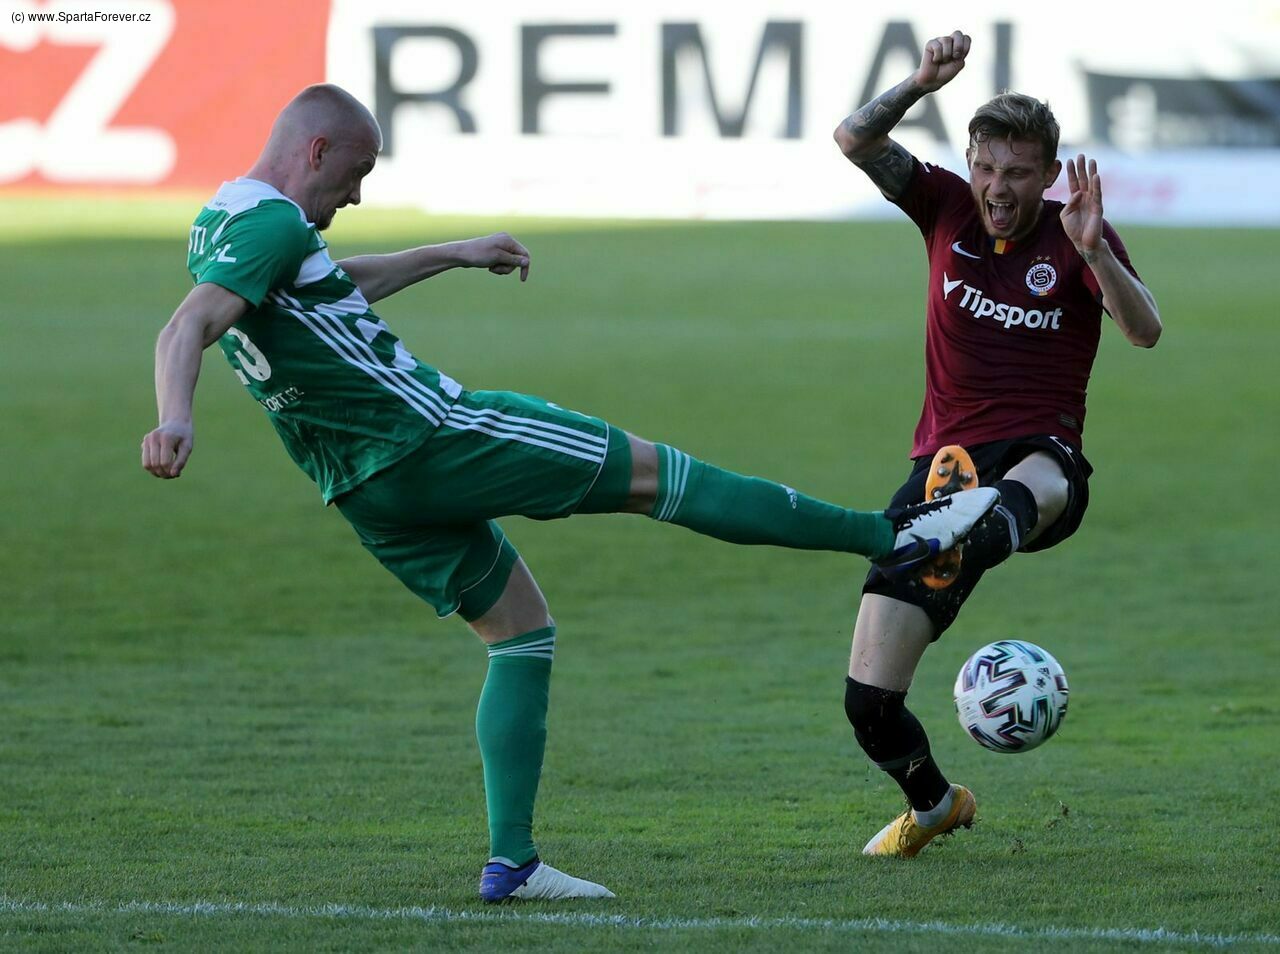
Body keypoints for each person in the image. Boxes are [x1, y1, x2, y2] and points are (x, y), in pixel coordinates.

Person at [141, 84, 997, 900]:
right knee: (661, 476)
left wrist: (452, 252)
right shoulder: (275, 223)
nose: (356, 195)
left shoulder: (225, 219)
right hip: (434, 437)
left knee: (519, 631)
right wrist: (175, 416)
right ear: (315, 149)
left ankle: (512, 862)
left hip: (363, 490)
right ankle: (895, 536)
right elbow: (188, 324)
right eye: (355, 173)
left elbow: (327, 288)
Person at [832, 31, 1162, 857]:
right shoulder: (945, 206)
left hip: (1039, 461)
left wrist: (1095, 251)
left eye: (1016, 172)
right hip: (943, 472)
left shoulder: (1075, 234)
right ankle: (936, 804)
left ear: (1047, 175)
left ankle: (977, 531)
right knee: (869, 704)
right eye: (985, 167)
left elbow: (1145, 330)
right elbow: (855, 140)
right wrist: (919, 83)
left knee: (1036, 478)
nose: (996, 187)